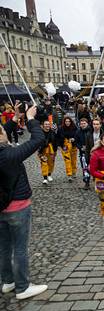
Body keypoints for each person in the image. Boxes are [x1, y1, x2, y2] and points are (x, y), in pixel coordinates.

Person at [0, 104, 48, 300]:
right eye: (3, 130)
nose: (5, 131)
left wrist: (12, 121)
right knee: (20, 247)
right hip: (17, 206)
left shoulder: (5, 151)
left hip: (1, 207)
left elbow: (5, 133)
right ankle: (22, 287)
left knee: (4, 247)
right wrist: (30, 119)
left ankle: (8, 281)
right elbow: (38, 139)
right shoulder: (8, 155)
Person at [57, 116, 78, 182]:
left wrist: (74, 139)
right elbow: (58, 137)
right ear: (64, 122)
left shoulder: (74, 128)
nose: (67, 123)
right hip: (65, 146)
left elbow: (77, 136)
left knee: (73, 159)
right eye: (66, 121)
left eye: (69, 121)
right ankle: (69, 174)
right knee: (67, 160)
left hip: (73, 146)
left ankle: (74, 171)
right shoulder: (61, 128)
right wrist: (59, 145)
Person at [75, 118, 94, 190]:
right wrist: (80, 147)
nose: (82, 125)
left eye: (84, 124)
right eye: (81, 124)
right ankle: (87, 182)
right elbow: (76, 142)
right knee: (85, 167)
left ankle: (97, 179)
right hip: (83, 153)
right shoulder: (78, 132)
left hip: (92, 151)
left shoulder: (91, 130)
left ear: (87, 124)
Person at [38, 120, 57, 185]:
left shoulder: (52, 132)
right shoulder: (40, 133)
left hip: (51, 150)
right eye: (46, 124)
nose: (47, 125)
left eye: (48, 124)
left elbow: (55, 142)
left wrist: (55, 150)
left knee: (51, 163)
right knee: (44, 163)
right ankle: (45, 178)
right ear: (43, 125)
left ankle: (49, 174)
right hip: (43, 150)